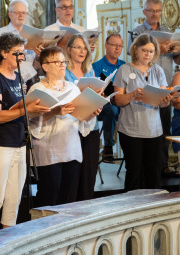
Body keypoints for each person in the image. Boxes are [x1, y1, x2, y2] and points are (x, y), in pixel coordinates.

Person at [0, 33, 49, 233]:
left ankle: (8, 238)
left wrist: (32, 105)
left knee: (14, 195)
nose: (21, 58)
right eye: (17, 53)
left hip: (19, 141)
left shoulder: (18, 77)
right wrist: (26, 110)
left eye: (22, 54)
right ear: (3, 53)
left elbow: (17, 107)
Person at [29, 47, 94, 206]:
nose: (63, 65)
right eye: (57, 62)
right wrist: (55, 112)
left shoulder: (72, 88)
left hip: (70, 148)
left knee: (68, 197)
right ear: (45, 66)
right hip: (49, 150)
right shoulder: (37, 89)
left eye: (63, 61)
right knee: (49, 196)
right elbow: (30, 120)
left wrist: (92, 112)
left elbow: (81, 118)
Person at [114, 34, 173, 190]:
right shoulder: (125, 69)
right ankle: (133, 211)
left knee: (154, 174)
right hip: (130, 130)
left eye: (151, 51)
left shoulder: (158, 70)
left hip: (154, 130)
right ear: (136, 49)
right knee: (134, 174)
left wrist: (165, 101)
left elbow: (162, 101)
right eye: (144, 50)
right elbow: (118, 100)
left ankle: (153, 210)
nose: (148, 54)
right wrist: (133, 94)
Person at [129, 0, 180, 177]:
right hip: (143, 86)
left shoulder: (167, 31)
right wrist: (157, 49)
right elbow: (131, 52)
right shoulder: (138, 31)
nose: (155, 14)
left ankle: (163, 165)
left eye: (158, 11)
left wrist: (176, 49)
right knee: (146, 127)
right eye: (151, 10)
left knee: (164, 127)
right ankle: (144, 166)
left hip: (164, 85)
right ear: (144, 12)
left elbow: (177, 59)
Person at [65, 34, 100, 201]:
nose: (82, 51)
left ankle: (86, 211)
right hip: (72, 126)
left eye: (85, 47)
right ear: (69, 50)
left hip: (91, 125)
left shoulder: (90, 70)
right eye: (78, 47)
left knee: (88, 172)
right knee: (73, 174)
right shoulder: (63, 71)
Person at [92, 33, 125, 162]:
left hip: (122, 102)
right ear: (106, 46)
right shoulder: (97, 66)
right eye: (114, 45)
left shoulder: (125, 66)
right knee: (111, 110)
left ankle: (131, 149)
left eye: (120, 46)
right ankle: (108, 148)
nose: (117, 48)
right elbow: (94, 90)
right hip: (104, 105)